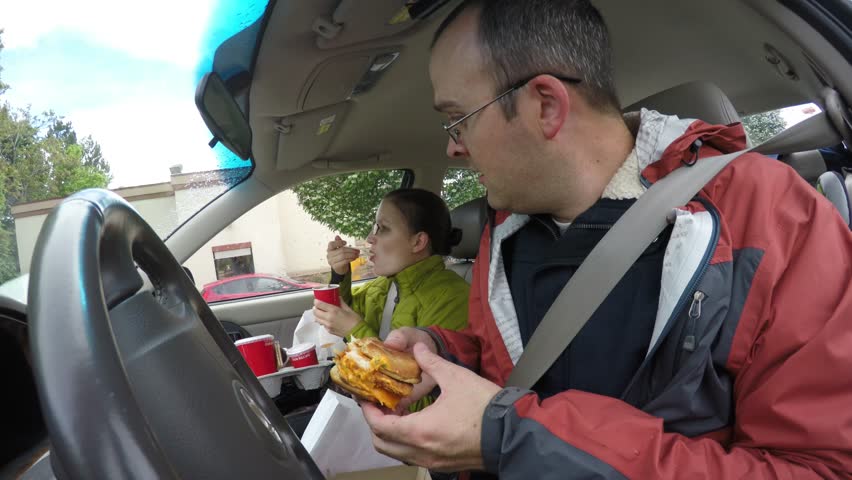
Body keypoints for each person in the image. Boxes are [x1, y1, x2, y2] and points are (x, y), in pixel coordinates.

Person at [359, 1, 852, 479]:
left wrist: (511, 438)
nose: (452, 146)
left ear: (546, 106)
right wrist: (441, 354)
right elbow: (513, 365)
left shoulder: (776, 216)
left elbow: (818, 469)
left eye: (459, 120)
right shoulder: (504, 230)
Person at [314, 187, 469, 342]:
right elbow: (341, 313)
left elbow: (426, 366)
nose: (369, 238)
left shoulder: (453, 298)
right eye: (375, 227)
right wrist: (339, 274)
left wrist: (356, 331)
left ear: (418, 242)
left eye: (382, 228)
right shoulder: (383, 285)